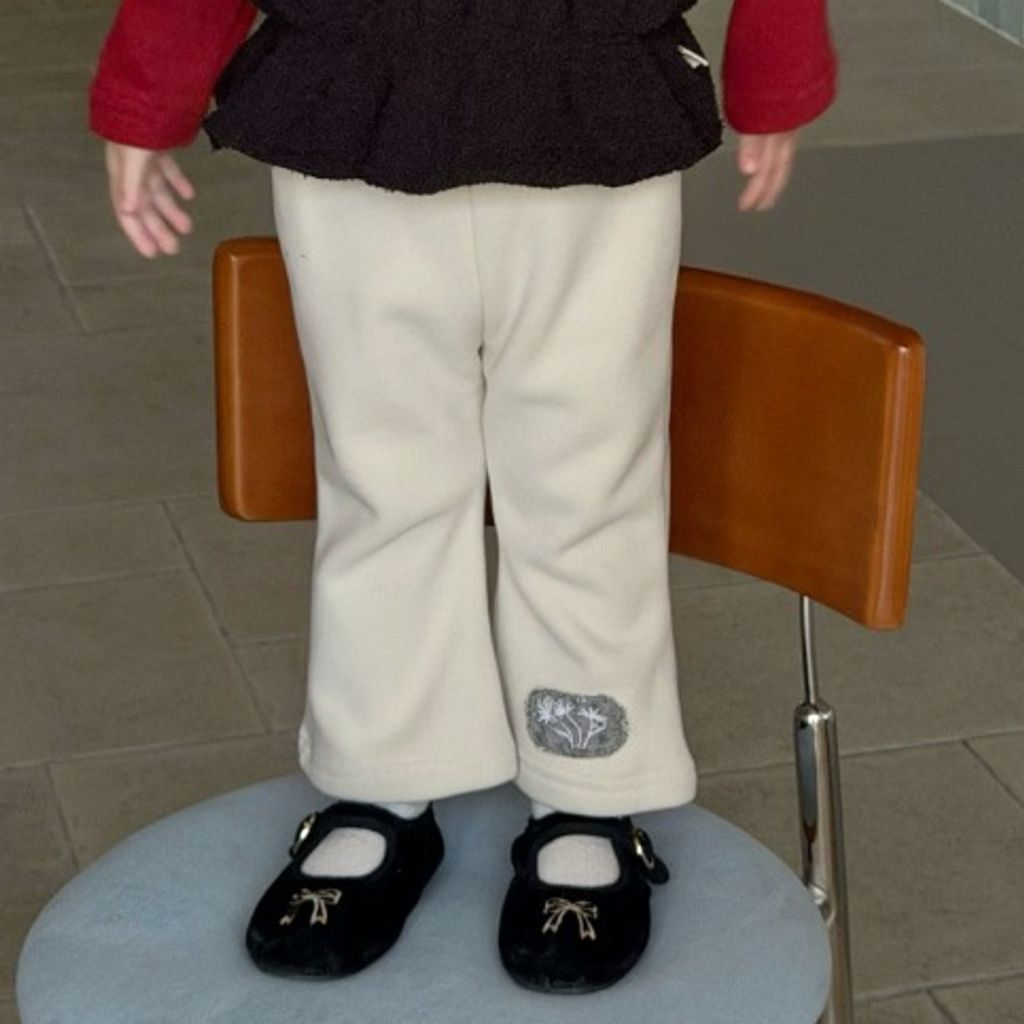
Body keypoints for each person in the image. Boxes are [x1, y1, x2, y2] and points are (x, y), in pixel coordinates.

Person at [89, 0, 838, 994]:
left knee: (586, 479)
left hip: (588, 74)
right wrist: (150, 88)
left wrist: (776, 64)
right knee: (382, 476)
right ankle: (383, 776)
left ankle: (585, 784)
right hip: (357, 75)